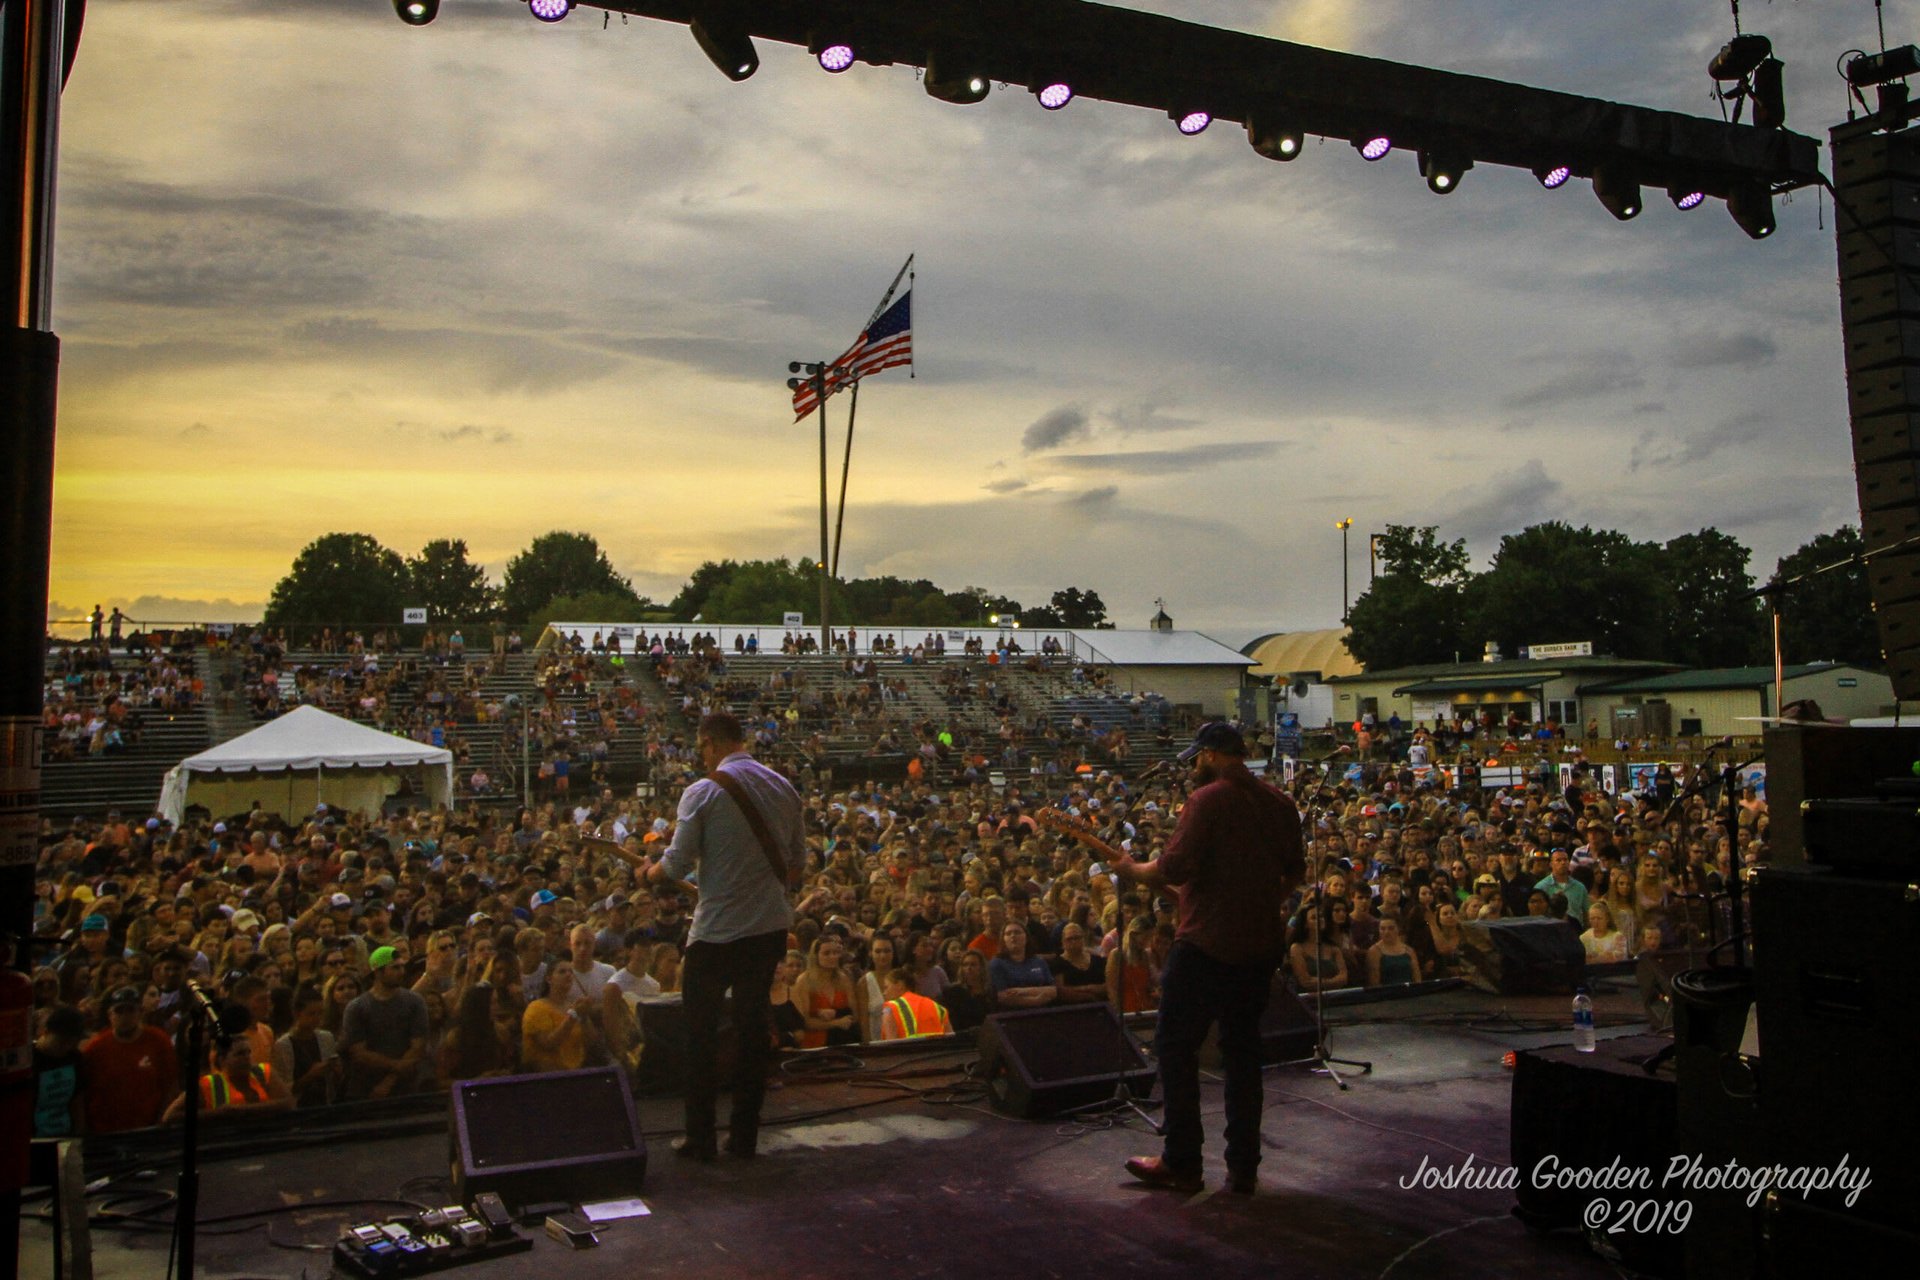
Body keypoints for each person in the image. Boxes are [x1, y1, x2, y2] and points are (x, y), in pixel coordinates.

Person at [1110, 722, 1303, 1195]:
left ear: (1214, 755)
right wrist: (1255, 901)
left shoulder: (1208, 800)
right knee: (1242, 1053)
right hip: (1258, 947)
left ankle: (1182, 1161)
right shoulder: (1280, 804)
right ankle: (1243, 1166)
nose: (1194, 767)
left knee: (1175, 1046)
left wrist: (1132, 869)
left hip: (1205, 946)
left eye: (1197, 758)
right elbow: (1294, 874)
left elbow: (1173, 867)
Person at [648, 711, 803, 1161]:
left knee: (700, 1035)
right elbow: (795, 867)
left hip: (716, 932)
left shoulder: (702, 792)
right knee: (753, 1031)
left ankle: (700, 1138)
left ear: (710, 742)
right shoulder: (784, 788)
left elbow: (674, 866)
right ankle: (744, 1138)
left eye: (701, 749)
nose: (702, 757)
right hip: (768, 927)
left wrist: (649, 869)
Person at [82, 986, 180, 1133]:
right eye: (119, 1011)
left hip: (148, 1128)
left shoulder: (158, 1040)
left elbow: (170, 1085)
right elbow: (85, 1092)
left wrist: (162, 1121)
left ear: (140, 1012)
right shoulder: (96, 1048)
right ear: (110, 1014)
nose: (125, 1016)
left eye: (130, 1010)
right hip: (106, 1131)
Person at [339, 946, 429, 1100]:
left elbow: (418, 1046)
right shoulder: (358, 1007)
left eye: (402, 967)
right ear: (378, 972)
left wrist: (389, 1081)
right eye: (395, 968)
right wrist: (397, 1066)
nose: (401, 972)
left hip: (407, 1090)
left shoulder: (415, 1002)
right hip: (366, 1090)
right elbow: (359, 1053)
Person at [271, 986, 341, 1108]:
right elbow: (283, 1088)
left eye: (320, 1013)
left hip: (325, 1103)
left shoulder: (326, 1038)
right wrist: (310, 1075)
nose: (317, 1018)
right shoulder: (283, 1045)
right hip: (299, 1106)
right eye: (311, 1014)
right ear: (297, 1014)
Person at [878, 967, 953, 1040]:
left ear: (900, 985)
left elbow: (890, 1046)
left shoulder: (890, 1008)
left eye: (886, 987)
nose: (884, 993)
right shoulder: (938, 1008)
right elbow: (951, 1039)